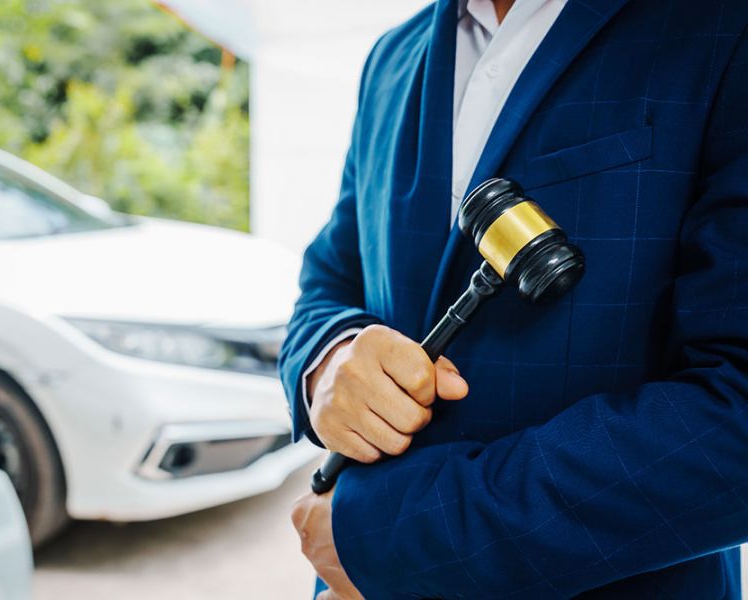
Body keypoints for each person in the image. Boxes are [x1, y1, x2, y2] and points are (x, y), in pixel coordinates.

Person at [279, 0, 748, 597]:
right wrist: (328, 360)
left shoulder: (724, 27)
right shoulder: (391, 59)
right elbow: (329, 276)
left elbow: (737, 414)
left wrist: (393, 536)